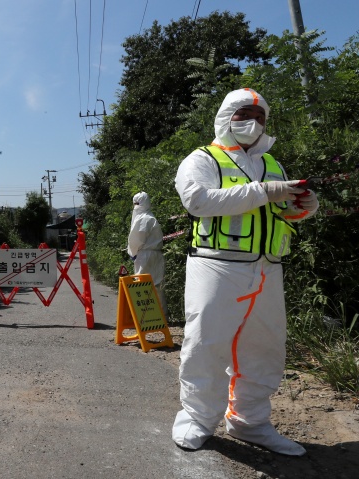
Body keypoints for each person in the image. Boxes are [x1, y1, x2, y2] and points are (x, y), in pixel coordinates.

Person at [172, 88, 318, 456]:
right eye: (244, 113)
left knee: (264, 348)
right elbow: (198, 201)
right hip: (216, 265)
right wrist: (265, 191)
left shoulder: (272, 164)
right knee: (206, 344)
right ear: (225, 117)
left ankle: (249, 422)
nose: (254, 122)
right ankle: (196, 419)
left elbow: (278, 212)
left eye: (260, 115)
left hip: (267, 267)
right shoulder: (202, 159)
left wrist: (303, 206)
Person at [127, 191, 167, 318]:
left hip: (145, 255)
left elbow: (137, 239)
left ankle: (145, 316)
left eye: (137, 203)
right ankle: (160, 315)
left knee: (142, 283)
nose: (136, 206)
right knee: (156, 284)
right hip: (155, 254)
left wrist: (132, 252)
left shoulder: (143, 219)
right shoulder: (150, 217)